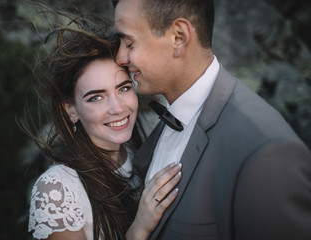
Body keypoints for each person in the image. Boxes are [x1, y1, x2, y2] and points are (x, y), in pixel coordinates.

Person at [113, 0, 311, 239]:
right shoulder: (167, 119)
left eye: (129, 43)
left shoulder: (268, 153)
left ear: (178, 37)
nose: (120, 57)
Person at [25, 14, 182, 240]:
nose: (117, 108)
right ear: (71, 110)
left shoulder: (139, 152)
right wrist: (138, 230)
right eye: (96, 98)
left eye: (124, 88)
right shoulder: (57, 191)